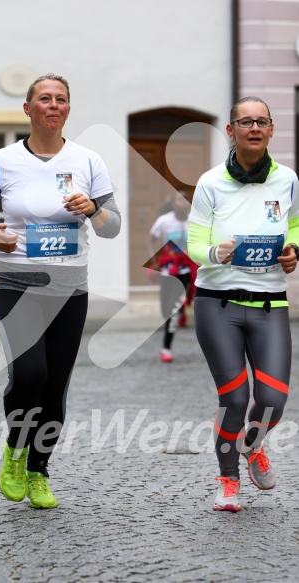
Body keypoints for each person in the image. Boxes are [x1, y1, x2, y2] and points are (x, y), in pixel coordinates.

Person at [0, 73, 121, 509]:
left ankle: (38, 471)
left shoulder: (88, 160)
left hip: (70, 290)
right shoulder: (2, 160)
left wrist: (93, 209)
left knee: (54, 388)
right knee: (30, 373)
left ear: (68, 108)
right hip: (16, 283)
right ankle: (15, 451)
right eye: (45, 98)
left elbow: (113, 226)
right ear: (28, 109)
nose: (54, 105)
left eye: (62, 99)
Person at [187, 96, 299, 512]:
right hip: (218, 304)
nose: (254, 128)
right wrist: (216, 253)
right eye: (245, 122)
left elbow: (295, 224)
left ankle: (252, 445)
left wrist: (294, 250)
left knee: (273, 399)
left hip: (271, 303)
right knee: (234, 399)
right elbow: (193, 243)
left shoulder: (288, 179)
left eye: (262, 122)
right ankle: (228, 480)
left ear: (271, 130)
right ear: (231, 131)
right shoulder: (210, 182)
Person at [149, 192, 196, 362]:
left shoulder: (194, 221)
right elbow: (151, 240)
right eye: (179, 199)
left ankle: (166, 348)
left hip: (186, 271)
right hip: (168, 270)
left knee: (173, 310)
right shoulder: (164, 221)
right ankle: (179, 307)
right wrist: (154, 261)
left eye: (186, 200)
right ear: (173, 203)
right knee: (166, 310)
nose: (183, 203)